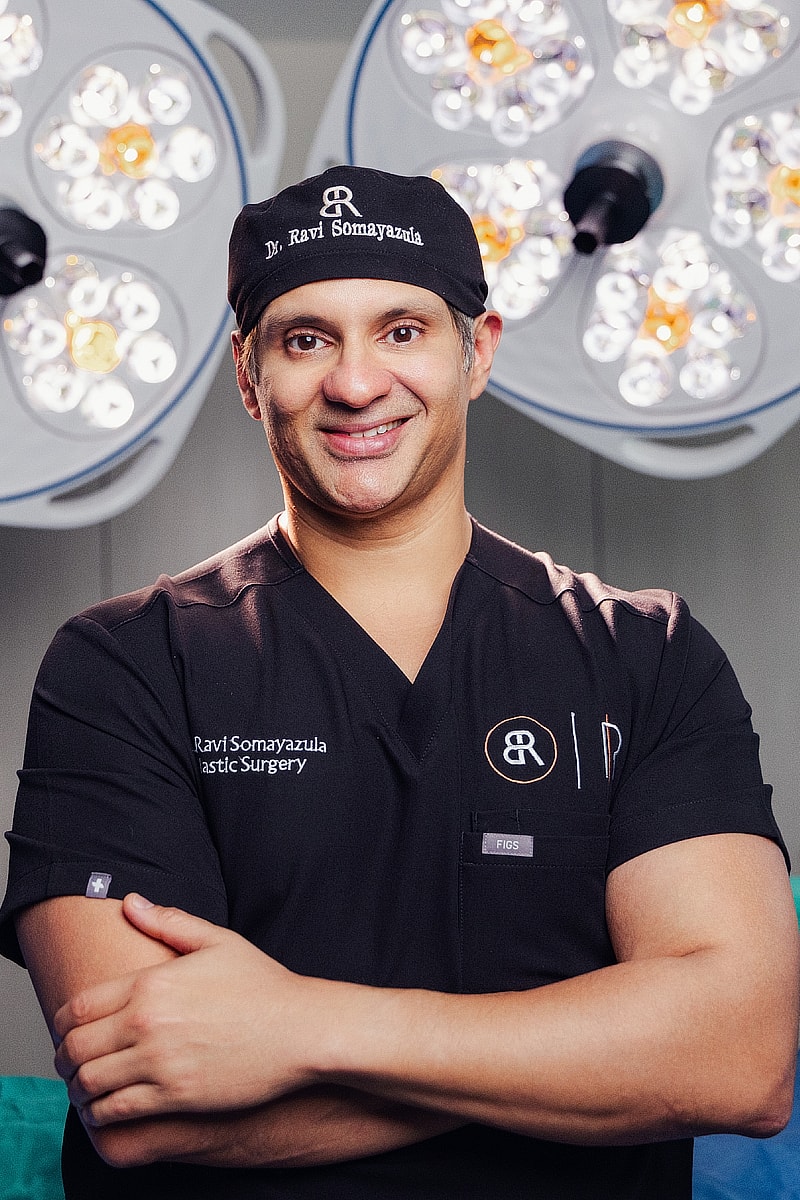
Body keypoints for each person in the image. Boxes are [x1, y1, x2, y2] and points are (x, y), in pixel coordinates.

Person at [1, 165, 798, 1200]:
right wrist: (591, 1055)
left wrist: (299, 1029)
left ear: (479, 353)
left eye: (402, 330)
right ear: (247, 377)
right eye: (304, 339)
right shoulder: (124, 665)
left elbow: (733, 1062)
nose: (356, 382)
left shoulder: (642, 654)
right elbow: (146, 1102)